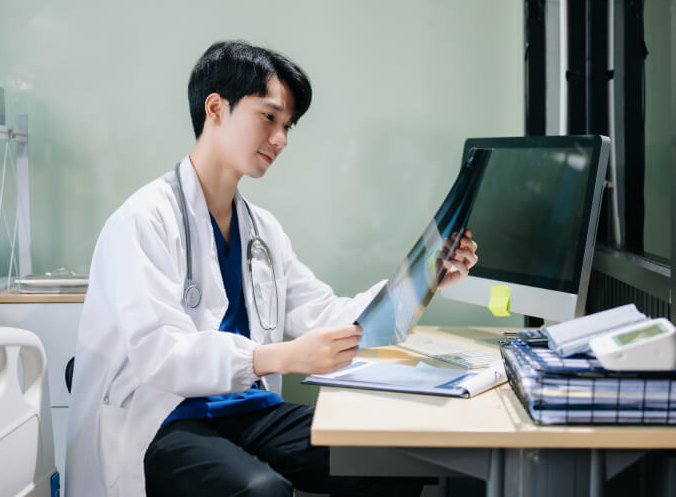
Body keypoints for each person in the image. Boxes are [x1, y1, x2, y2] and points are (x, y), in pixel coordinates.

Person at [65, 40, 479, 497]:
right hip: (163, 414)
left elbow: (327, 314)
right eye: (269, 117)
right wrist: (280, 356)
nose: (281, 138)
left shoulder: (261, 231)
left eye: (287, 126)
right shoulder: (143, 220)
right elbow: (159, 355)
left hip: (244, 407)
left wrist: (423, 281)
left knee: (387, 456)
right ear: (216, 108)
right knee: (260, 491)